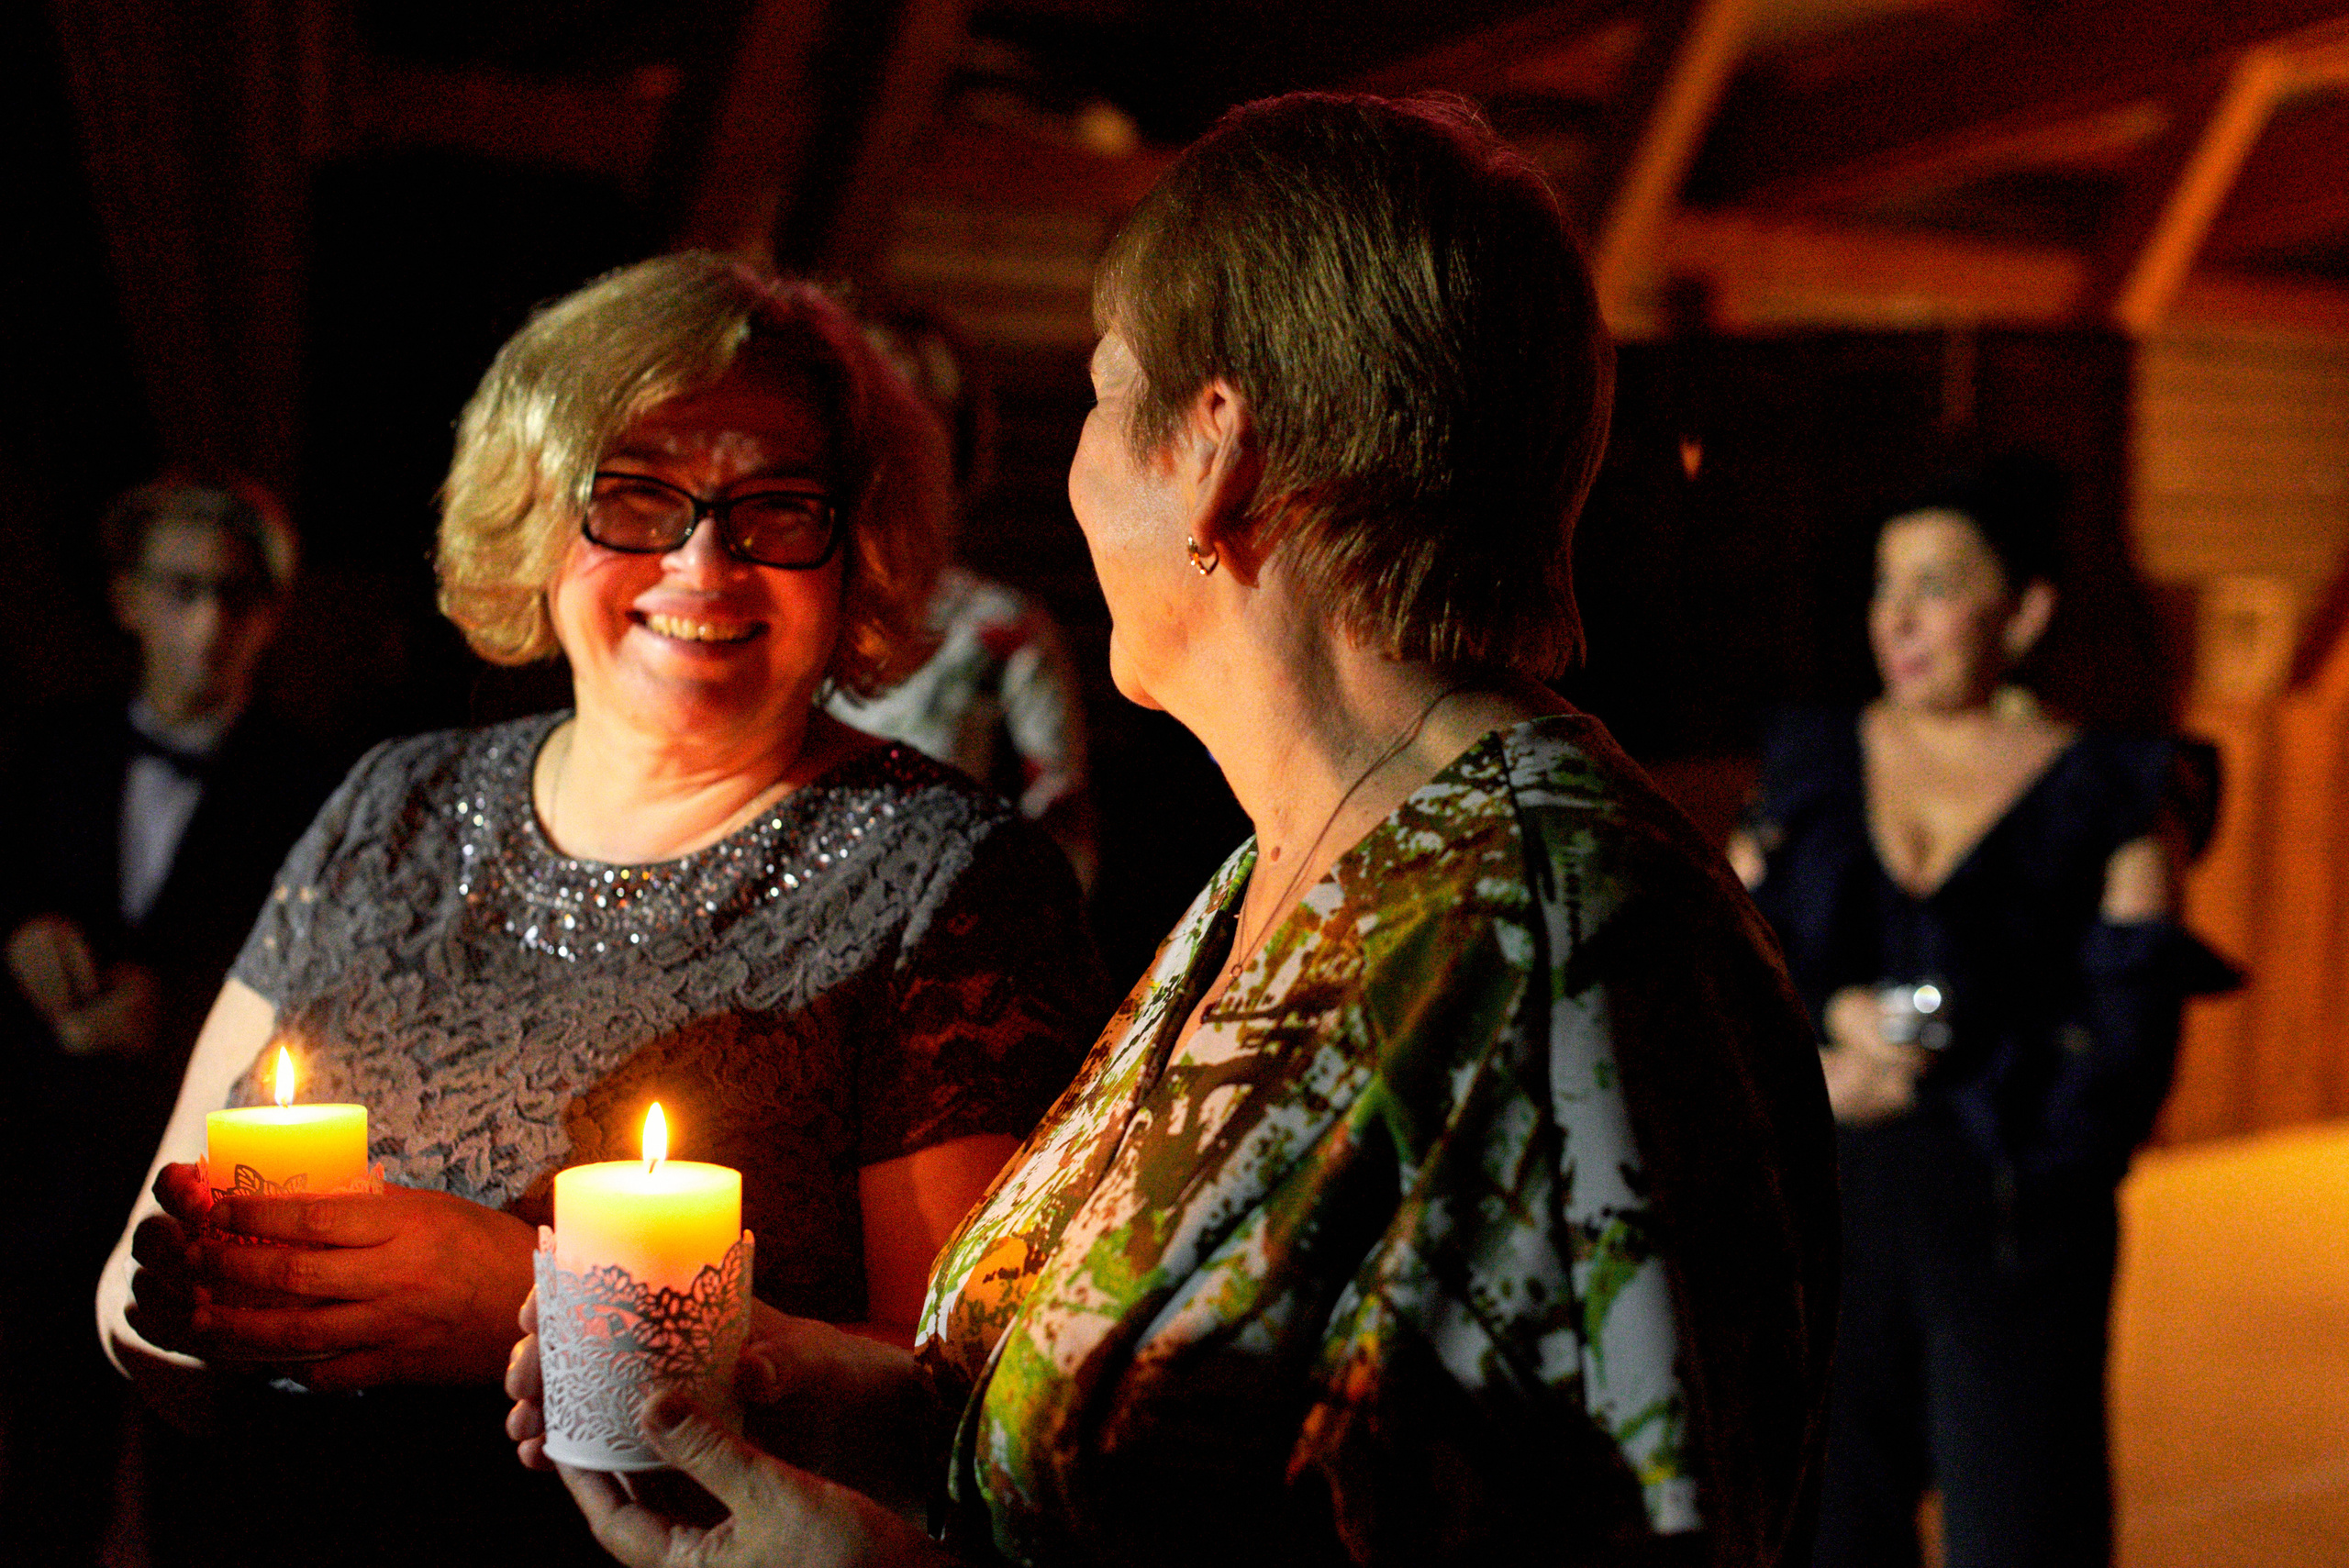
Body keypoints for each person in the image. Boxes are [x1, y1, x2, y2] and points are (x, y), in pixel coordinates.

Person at [509, 92, 1838, 1568]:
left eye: (1096, 390)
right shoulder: (1289, 861)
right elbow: (1175, 1454)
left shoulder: (1554, 937)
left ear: (1216, 452)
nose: (1073, 468)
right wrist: (850, 1403)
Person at [98, 256, 1106, 1568]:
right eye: (637, 497)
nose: (704, 558)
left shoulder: (945, 876)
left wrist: (525, 1301)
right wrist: (223, 1307)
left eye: (776, 507)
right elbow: (133, 1279)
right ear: (530, 512)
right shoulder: (393, 801)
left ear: (859, 545)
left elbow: (962, 1412)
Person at [1728, 464, 2233, 1567]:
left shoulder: (2108, 783)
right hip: (1829, 1218)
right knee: (1825, 1534)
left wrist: (1986, 1106)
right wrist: (1822, 1047)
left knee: (2021, 1530)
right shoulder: (1810, 759)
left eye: (1938, 582)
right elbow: (1735, 970)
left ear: (2026, 609)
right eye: (1884, 583)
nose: (1899, 615)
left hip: (2012, 1226)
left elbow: (2130, 1043)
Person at [0, 477, 335, 1563]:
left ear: (272, 614)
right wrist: (17, 938)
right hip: (41, 1179)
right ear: (126, 598)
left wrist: (181, 1012)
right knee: (42, 1481)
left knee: (215, 1503)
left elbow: (330, 988)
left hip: (209, 1186)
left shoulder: (318, 783)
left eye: (237, 596)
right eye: (181, 589)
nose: (208, 623)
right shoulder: (46, 749)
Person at [827, 302, 1097, 888]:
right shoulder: (782, 605)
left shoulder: (1001, 629)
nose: (892, 446)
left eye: (921, 415)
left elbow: (1062, 824)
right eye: (872, 410)